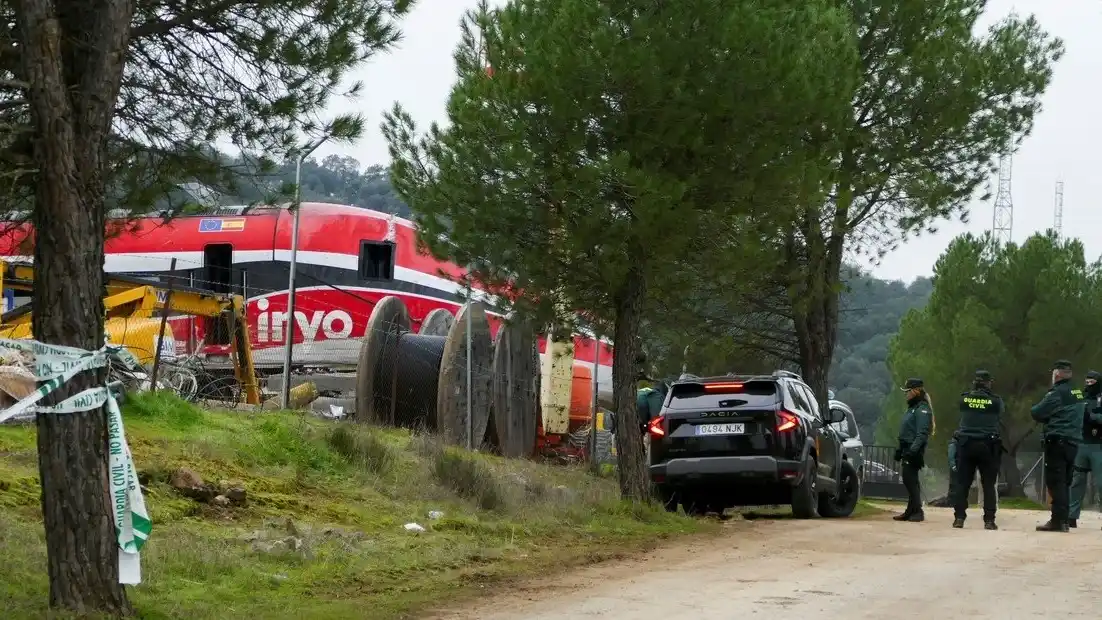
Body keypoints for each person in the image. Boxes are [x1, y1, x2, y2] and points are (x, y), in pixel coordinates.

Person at [1030, 360, 1085, 532]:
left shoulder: (1057, 393)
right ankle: (1064, 519)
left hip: (1057, 441)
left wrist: (1049, 417)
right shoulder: (1077, 392)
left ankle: (1058, 521)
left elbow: (1037, 412)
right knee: (1066, 482)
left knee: (1056, 482)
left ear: (1057, 374)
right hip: (1074, 442)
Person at [951, 370, 1004, 530]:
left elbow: (962, 409)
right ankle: (989, 520)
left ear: (974, 382)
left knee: (962, 483)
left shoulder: (964, 398)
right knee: (988, 485)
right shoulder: (996, 402)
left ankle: (959, 518)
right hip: (988, 446)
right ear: (989, 383)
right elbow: (1001, 413)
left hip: (966, 445)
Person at [894, 377, 934, 522]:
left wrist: (913, 450)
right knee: (910, 479)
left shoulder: (922, 409)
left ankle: (917, 511)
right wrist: (900, 449)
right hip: (907, 447)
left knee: (910, 480)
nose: (906, 394)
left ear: (915, 391)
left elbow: (922, 433)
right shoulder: (912, 408)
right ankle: (910, 510)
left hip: (914, 450)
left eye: (908, 391)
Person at [1068, 370, 1102, 528]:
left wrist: (1092, 417)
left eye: (1092, 382)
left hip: (1099, 445)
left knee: (1101, 483)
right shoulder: (1080, 397)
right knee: (1077, 481)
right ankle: (1071, 516)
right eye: (1087, 382)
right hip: (1082, 442)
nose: (1089, 385)